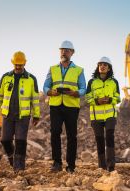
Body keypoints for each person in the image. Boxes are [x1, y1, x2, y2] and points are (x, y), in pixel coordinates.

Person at [0, 51, 40, 172]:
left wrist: (36, 115)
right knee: (5, 140)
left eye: (20, 65)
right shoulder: (6, 77)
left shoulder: (31, 79)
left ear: (25, 63)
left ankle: (19, 167)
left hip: (23, 116)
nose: (18, 67)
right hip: (7, 114)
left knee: (20, 141)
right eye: (16, 65)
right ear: (13, 63)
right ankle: (12, 159)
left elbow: (35, 99)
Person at [43, 40, 86, 173]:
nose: (64, 52)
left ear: (72, 53)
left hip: (71, 106)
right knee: (55, 132)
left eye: (67, 50)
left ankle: (71, 166)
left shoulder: (78, 70)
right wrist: (49, 92)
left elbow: (83, 88)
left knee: (71, 136)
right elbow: (45, 86)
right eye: (62, 50)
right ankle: (56, 163)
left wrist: (76, 93)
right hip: (55, 105)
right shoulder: (52, 68)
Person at [85, 56, 120, 172]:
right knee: (99, 140)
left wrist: (110, 100)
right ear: (98, 67)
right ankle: (102, 166)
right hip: (96, 117)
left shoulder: (114, 82)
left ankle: (111, 166)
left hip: (110, 116)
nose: (102, 66)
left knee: (109, 138)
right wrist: (97, 101)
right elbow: (87, 98)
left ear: (109, 68)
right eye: (100, 64)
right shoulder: (92, 82)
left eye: (105, 65)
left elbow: (118, 98)